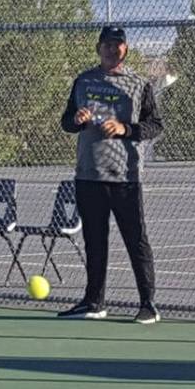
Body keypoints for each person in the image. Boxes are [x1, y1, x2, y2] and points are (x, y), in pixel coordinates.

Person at [58, 26, 164, 324]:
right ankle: (94, 302)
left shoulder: (138, 83)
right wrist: (77, 121)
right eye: (106, 44)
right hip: (88, 174)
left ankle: (148, 304)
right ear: (98, 48)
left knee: (136, 239)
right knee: (94, 240)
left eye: (117, 45)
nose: (111, 49)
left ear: (125, 49)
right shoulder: (83, 80)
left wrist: (126, 130)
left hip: (125, 177)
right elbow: (66, 122)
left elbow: (155, 125)